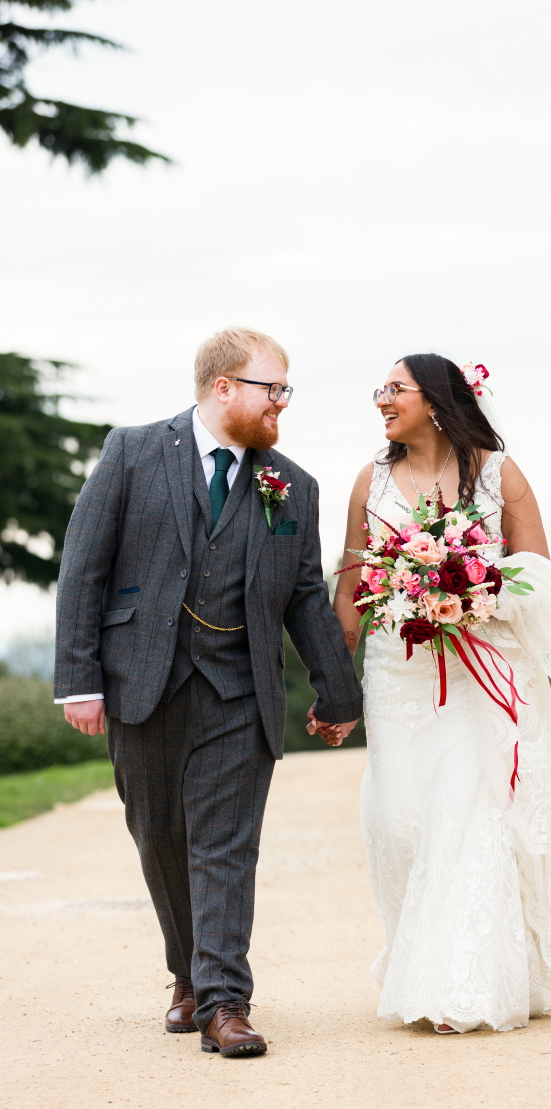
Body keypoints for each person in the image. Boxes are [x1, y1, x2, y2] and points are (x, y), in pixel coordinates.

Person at [54, 327, 362, 1058]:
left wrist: (339, 694)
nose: (282, 401)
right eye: (271, 387)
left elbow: (305, 596)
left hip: (239, 692)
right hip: (142, 684)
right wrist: (78, 682)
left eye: (285, 388)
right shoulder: (131, 453)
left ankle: (226, 1000)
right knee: (160, 838)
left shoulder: (294, 485)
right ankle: (188, 976)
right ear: (223, 387)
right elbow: (84, 568)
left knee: (226, 847)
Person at [320, 353, 551, 1034]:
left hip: (485, 669)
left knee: (468, 814)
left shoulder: (499, 474)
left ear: (435, 399)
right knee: (398, 820)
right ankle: (420, 958)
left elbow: (536, 577)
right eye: (380, 389)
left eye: (394, 389)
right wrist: (335, 687)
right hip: (399, 672)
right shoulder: (369, 480)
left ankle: (462, 984)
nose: (381, 399)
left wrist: (474, 589)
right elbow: (352, 588)